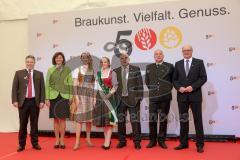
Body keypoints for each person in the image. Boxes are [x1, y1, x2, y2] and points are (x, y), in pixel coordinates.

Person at [173, 45, 207, 153]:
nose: (186, 52)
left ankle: (200, 144)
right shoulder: (177, 63)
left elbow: (203, 78)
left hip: (195, 96)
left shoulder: (199, 62)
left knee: (198, 120)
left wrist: (193, 87)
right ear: (182, 52)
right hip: (182, 96)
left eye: (188, 50)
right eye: (184, 50)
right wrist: (179, 87)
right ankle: (183, 143)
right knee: (183, 120)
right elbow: (174, 80)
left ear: (192, 51)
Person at [11, 55, 45, 152]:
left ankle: (35, 143)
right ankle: (21, 144)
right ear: (25, 62)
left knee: (34, 124)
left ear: (34, 63)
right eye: (28, 62)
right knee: (23, 124)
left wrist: (42, 100)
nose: (29, 63)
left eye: (31, 62)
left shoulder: (39, 74)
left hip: (35, 102)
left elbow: (42, 89)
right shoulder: (18, 73)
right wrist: (14, 100)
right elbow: (14, 88)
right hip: (23, 102)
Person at [114, 52, 143, 150]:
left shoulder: (136, 69)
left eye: (126, 58)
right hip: (120, 100)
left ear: (128, 59)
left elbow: (140, 85)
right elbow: (114, 87)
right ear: (120, 60)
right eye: (122, 58)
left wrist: (139, 98)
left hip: (133, 100)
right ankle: (122, 141)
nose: (124, 59)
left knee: (135, 121)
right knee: (121, 121)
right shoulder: (115, 71)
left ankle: (137, 141)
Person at [145, 49, 174, 149]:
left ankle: (161, 140)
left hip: (165, 98)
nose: (158, 56)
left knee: (163, 120)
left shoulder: (170, 66)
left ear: (163, 55)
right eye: (156, 54)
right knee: (152, 119)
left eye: (160, 54)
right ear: (154, 56)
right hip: (153, 98)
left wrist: (164, 90)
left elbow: (172, 81)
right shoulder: (149, 67)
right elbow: (147, 82)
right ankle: (152, 141)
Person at [45, 52, 73, 149]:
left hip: (64, 97)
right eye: (57, 58)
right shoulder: (50, 70)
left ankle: (62, 140)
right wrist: (47, 98)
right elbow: (47, 85)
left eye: (60, 58)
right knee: (56, 120)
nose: (58, 59)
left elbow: (70, 84)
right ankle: (57, 140)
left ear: (63, 59)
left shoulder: (67, 70)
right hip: (53, 97)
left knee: (63, 119)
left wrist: (70, 97)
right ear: (54, 59)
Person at [93, 57, 118, 150]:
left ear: (108, 63)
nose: (104, 63)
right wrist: (94, 98)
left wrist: (108, 95)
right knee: (104, 121)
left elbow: (115, 86)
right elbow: (96, 87)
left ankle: (107, 142)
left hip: (109, 98)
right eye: (102, 62)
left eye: (105, 62)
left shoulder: (112, 73)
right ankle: (107, 140)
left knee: (109, 121)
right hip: (100, 98)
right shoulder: (98, 73)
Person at [72, 52, 95, 150]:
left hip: (90, 97)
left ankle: (88, 139)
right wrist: (76, 97)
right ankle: (77, 141)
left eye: (87, 58)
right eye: (83, 58)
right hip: (80, 97)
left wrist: (94, 98)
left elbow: (93, 86)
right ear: (81, 59)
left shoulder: (92, 70)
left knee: (89, 120)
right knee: (79, 120)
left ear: (89, 59)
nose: (85, 59)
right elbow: (74, 85)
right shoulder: (77, 70)